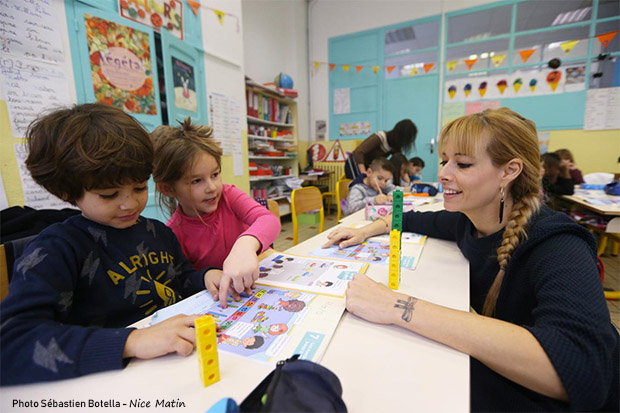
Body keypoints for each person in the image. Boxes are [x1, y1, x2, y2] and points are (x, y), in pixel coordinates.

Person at [324, 108, 618, 412]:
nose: (443, 173)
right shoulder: (469, 220)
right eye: (444, 160)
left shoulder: (558, 244)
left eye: (462, 163)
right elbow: (411, 218)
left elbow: (584, 370)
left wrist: (396, 306)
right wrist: (367, 230)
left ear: (509, 171)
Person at [0, 104, 224, 385]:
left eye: (140, 188)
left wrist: (205, 277)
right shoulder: (57, 248)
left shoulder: (158, 233)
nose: (130, 204)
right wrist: (131, 341)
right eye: (108, 194)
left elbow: (179, 279)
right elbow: (10, 344)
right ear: (68, 191)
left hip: (179, 364)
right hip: (113, 380)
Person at [152, 118, 281, 308]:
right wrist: (206, 275)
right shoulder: (173, 232)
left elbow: (268, 219)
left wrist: (245, 244)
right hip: (231, 301)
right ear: (168, 189)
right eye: (196, 181)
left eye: (215, 175)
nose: (212, 187)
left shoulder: (228, 195)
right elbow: (185, 280)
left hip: (266, 280)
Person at [344, 119, 417, 179]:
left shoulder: (395, 145)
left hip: (368, 166)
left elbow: (399, 160)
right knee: (361, 186)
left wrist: (405, 173)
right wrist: (363, 173)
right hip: (355, 163)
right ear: (402, 136)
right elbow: (359, 152)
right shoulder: (380, 137)